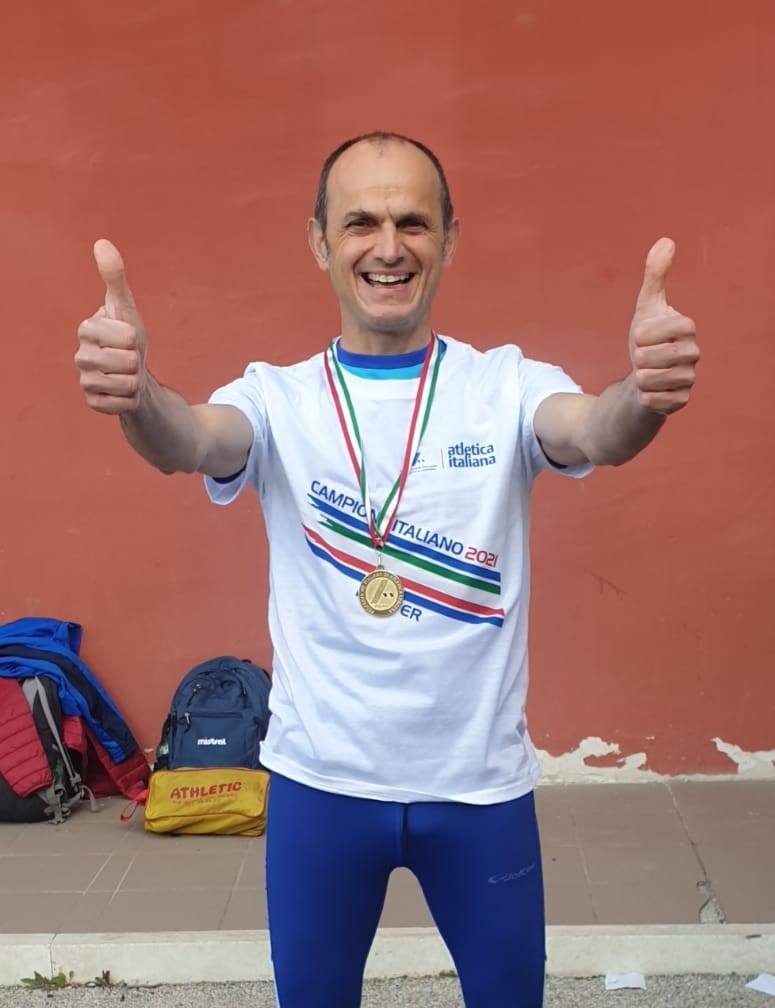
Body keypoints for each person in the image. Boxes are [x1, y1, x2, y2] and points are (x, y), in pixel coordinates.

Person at [74, 131, 699, 1008]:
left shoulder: (505, 385)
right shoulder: (276, 397)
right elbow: (191, 440)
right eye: (360, 222)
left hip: (477, 790)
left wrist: (644, 393)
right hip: (321, 787)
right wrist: (138, 398)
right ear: (319, 242)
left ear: (449, 237)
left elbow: (595, 429)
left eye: (413, 222)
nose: (388, 246)